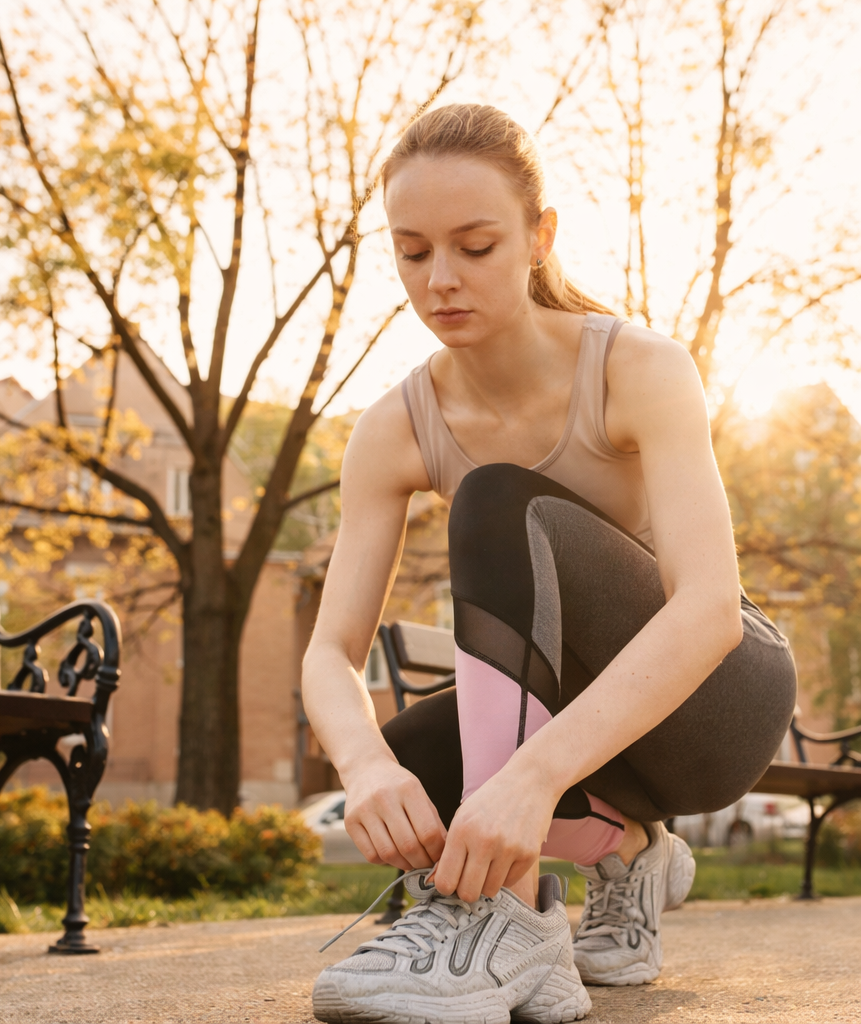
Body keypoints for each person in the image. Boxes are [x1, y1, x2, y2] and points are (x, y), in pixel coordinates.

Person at [302, 104, 797, 1024]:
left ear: (539, 237)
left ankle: (509, 921)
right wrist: (366, 769)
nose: (440, 279)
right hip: (595, 741)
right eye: (412, 253)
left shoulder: (638, 367)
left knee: (497, 500)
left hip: (721, 703)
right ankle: (629, 854)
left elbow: (708, 611)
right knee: (414, 766)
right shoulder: (393, 428)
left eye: (475, 245)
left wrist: (525, 783)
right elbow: (329, 652)